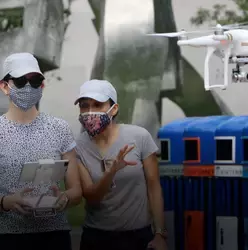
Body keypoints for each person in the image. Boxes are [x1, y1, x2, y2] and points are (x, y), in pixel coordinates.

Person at [0, 52, 82, 250]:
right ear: (4, 86)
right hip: (8, 236)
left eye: (35, 80)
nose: (29, 87)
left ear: (42, 85)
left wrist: (65, 198)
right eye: (20, 81)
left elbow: (76, 190)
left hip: (54, 235)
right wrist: (5, 201)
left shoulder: (59, 128)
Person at [75, 79, 168, 250]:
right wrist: (110, 173)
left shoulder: (139, 137)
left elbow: (154, 187)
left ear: (114, 109)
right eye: (84, 106)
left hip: (138, 237)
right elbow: (91, 197)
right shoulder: (78, 146)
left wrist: (160, 234)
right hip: (96, 238)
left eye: (97, 105)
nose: (89, 112)